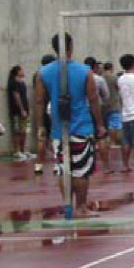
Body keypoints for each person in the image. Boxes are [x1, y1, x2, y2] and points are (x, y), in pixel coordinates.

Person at [33, 34, 104, 217]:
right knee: (80, 170)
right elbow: (93, 99)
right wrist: (100, 124)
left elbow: (40, 101)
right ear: (71, 46)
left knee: (64, 168)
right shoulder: (84, 71)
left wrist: (41, 126)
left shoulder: (44, 72)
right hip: (81, 126)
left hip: (58, 128)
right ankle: (80, 207)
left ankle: (68, 206)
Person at [7, 66, 31, 161]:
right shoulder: (13, 82)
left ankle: (23, 150)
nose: (23, 71)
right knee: (17, 131)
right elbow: (16, 97)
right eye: (21, 69)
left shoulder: (22, 83)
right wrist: (21, 110)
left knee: (24, 131)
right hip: (17, 112)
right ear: (17, 72)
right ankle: (17, 151)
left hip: (25, 110)